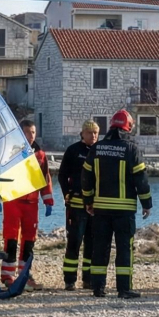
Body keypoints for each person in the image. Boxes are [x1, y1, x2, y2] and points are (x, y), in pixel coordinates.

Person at [81, 110, 151, 299]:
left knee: (100, 247)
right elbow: (141, 180)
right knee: (124, 249)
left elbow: (86, 177)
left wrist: (88, 201)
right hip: (124, 210)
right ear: (127, 128)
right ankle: (124, 289)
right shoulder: (131, 149)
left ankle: (98, 288)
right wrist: (147, 203)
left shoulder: (97, 148)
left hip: (101, 209)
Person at [0, 119, 54, 289]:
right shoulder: (10, 153)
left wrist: (48, 200)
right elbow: (1, 173)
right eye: (27, 132)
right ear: (19, 133)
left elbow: (45, 178)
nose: (30, 136)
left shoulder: (40, 155)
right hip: (13, 200)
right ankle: (7, 276)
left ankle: (25, 275)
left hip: (31, 203)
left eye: (33, 133)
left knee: (30, 239)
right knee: (11, 238)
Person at [58, 120, 100, 290]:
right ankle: (69, 279)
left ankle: (88, 279)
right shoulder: (73, 151)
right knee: (74, 241)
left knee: (92, 243)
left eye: (96, 133)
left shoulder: (99, 151)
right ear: (82, 133)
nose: (93, 136)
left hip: (95, 206)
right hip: (76, 205)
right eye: (90, 133)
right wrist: (67, 193)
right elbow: (62, 175)